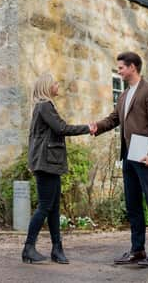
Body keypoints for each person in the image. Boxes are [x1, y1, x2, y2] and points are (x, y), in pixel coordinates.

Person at [89, 51, 148, 267]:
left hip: (145, 156)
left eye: (121, 67)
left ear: (133, 67)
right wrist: (98, 126)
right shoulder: (124, 95)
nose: (119, 71)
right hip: (128, 155)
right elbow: (115, 118)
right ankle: (138, 250)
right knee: (133, 204)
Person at [22, 73, 91, 264]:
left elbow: (33, 137)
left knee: (53, 209)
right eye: (55, 83)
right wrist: (89, 127)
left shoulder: (42, 107)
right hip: (46, 164)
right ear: (47, 87)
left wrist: (31, 161)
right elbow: (61, 128)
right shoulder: (44, 106)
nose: (57, 85)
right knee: (45, 206)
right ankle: (28, 248)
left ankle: (57, 249)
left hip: (48, 163)